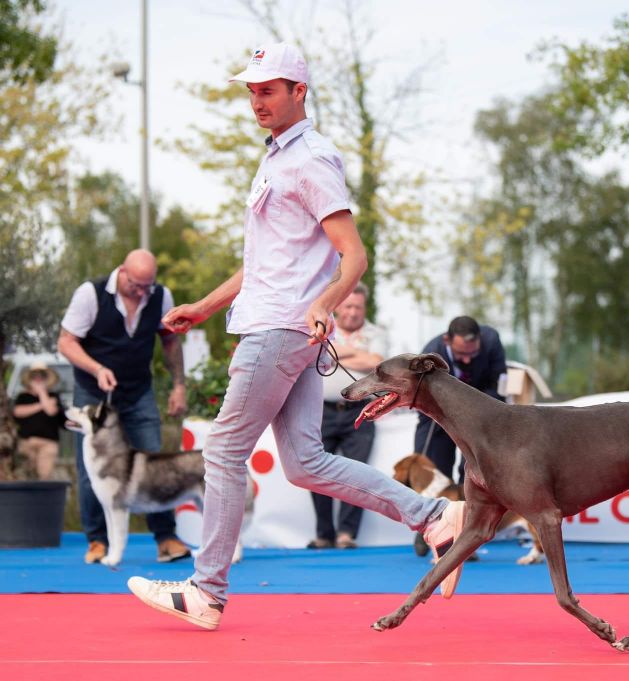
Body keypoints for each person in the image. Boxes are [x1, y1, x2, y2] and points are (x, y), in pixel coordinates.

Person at [125, 42, 464, 631]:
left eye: (269, 89)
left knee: (224, 452)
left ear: (298, 92)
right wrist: (204, 307)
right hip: (281, 327)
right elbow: (266, 263)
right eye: (252, 90)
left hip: (279, 331)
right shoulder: (277, 159)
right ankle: (434, 514)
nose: (257, 100)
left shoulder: (309, 159)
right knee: (305, 462)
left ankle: (206, 592)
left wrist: (325, 305)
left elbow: (353, 256)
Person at [57, 249, 192, 565]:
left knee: (155, 462)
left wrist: (179, 385)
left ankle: (166, 538)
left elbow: (170, 341)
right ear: (123, 272)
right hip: (94, 393)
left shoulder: (161, 296)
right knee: (92, 468)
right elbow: (65, 342)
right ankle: (97, 542)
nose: (143, 292)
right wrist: (96, 368)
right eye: (136, 285)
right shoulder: (90, 294)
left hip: (138, 391)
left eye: (149, 285)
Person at [307, 282, 388, 550]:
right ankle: (324, 533)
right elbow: (317, 355)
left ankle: (346, 533)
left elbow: (377, 363)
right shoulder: (323, 327)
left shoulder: (377, 332)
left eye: (358, 307)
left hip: (361, 411)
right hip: (322, 411)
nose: (353, 312)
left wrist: (337, 354)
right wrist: (358, 355)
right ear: (339, 306)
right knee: (316, 470)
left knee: (358, 473)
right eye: (349, 306)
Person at [415, 315, 507, 482]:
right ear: (446, 340)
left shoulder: (491, 341)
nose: (467, 359)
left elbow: (498, 388)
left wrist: (471, 412)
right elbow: (423, 400)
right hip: (440, 414)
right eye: (461, 354)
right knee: (434, 470)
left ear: (480, 339)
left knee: (476, 474)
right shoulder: (431, 355)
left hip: (480, 414)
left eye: (473, 353)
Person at [12, 362, 66, 479]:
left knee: (44, 475)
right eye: (34, 376)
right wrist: (41, 404)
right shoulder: (22, 397)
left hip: (48, 443)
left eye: (41, 376)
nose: (38, 379)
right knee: (25, 474)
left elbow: (51, 411)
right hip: (27, 442)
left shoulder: (53, 396)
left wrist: (42, 392)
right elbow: (17, 412)